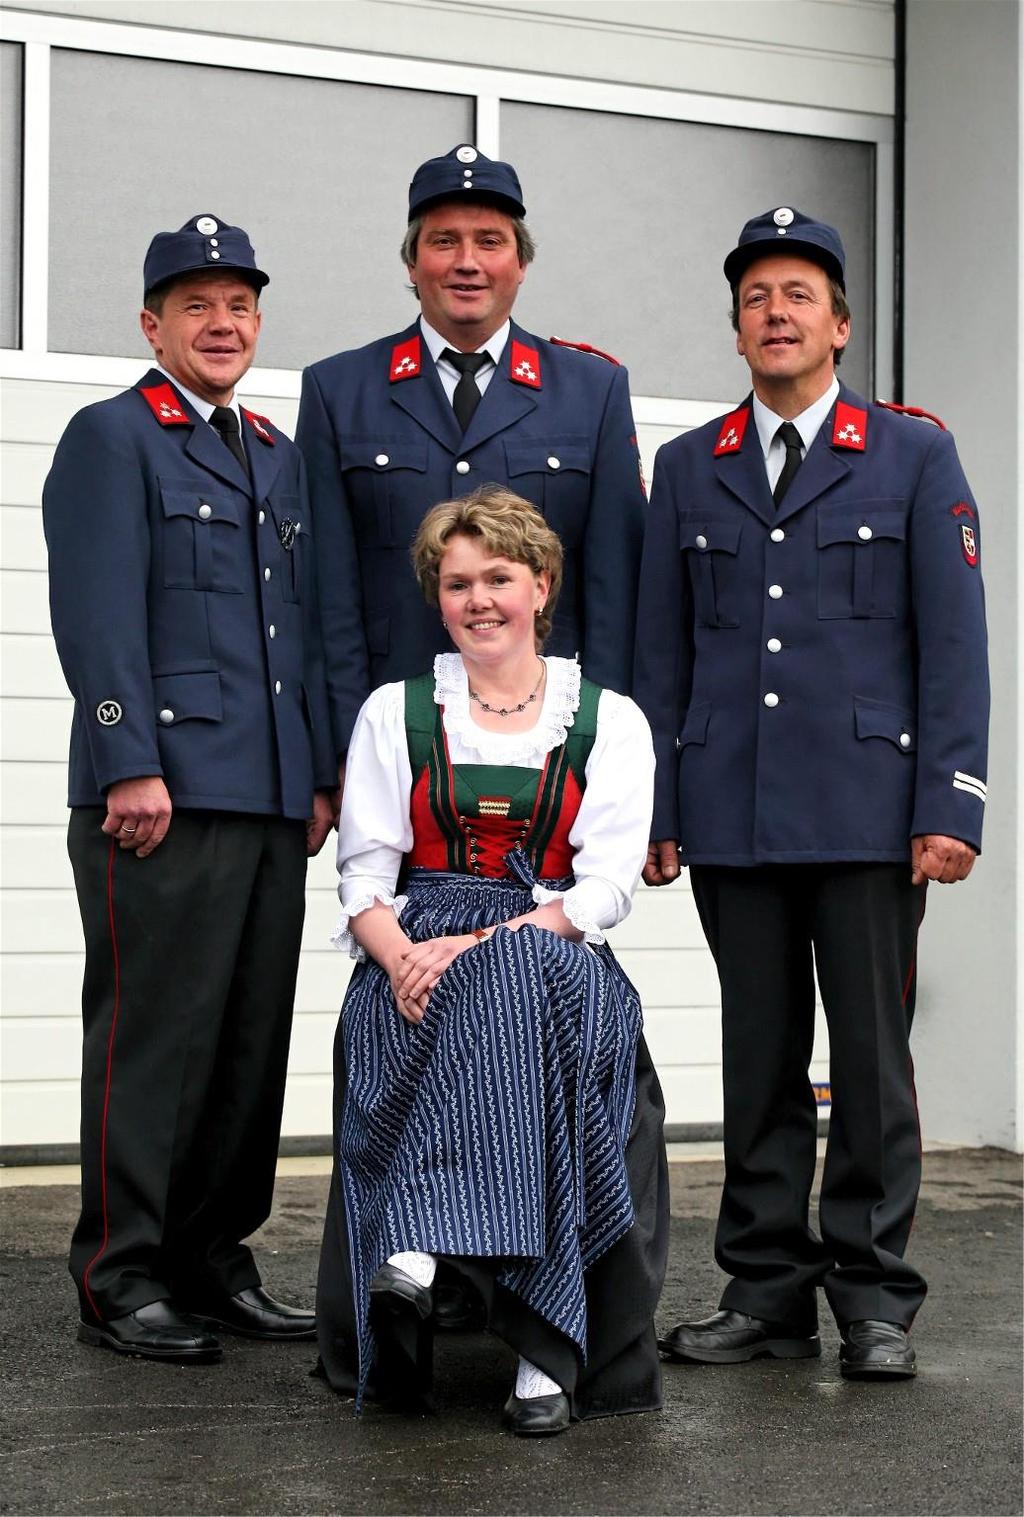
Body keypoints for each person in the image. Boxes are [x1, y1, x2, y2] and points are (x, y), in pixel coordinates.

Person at [633, 207, 989, 1380]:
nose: (774, 313)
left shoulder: (911, 454)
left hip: (869, 812)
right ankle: (766, 1288)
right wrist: (657, 808)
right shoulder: (690, 467)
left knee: (873, 1060)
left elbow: (954, 641)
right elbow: (662, 653)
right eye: (753, 298)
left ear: (839, 324)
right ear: (735, 328)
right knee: (759, 1055)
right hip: (732, 815)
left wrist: (952, 800)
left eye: (796, 295)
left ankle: (875, 1296)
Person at [42, 214, 338, 1363]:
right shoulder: (112, 437)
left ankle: (214, 1258)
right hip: (159, 792)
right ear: (151, 323)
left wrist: (314, 773)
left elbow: (299, 628)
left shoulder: (275, 449)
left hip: (266, 795)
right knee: (153, 1039)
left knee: (246, 1043)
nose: (224, 323)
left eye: (241, 306)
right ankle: (121, 1273)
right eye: (198, 305)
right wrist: (127, 758)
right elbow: (98, 609)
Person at [315, 485, 668, 1434]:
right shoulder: (395, 713)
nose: (478, 600)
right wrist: (397, 961)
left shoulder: (611, 718)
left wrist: (477, 946)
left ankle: (420, 1245)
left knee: (509, 981)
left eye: (498, 578)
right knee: (472, 1008)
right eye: (457, 582)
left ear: (540, 585)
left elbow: (600, 893)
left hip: (550, 942)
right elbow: (362, 877)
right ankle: (543, 1354)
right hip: (412, 948)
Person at [295, 142, 647, 766]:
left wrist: (606, 744)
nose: (467, 263)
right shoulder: (338, 391)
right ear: (411, 262)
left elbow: (614, 590)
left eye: (489, 241)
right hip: (395, 735)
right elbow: (330, 597)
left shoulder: (592, 391)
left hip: (552, 737)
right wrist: (343, 750)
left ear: (521, 264)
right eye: (443, 241)